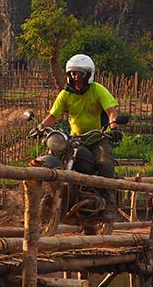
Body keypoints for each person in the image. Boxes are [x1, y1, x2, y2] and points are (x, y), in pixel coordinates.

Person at [39, 54, 120, 206]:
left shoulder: (98, 90)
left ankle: (109, 203)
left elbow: (111, 112)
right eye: (72, 73)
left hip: (98, 139)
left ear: (88, 75)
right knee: (59, 158)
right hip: (75, 139)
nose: (75, 77)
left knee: (104, 163)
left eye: (79, 73)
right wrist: (40, 127)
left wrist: (114, 127)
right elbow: (53, 116)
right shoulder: (65, 94)